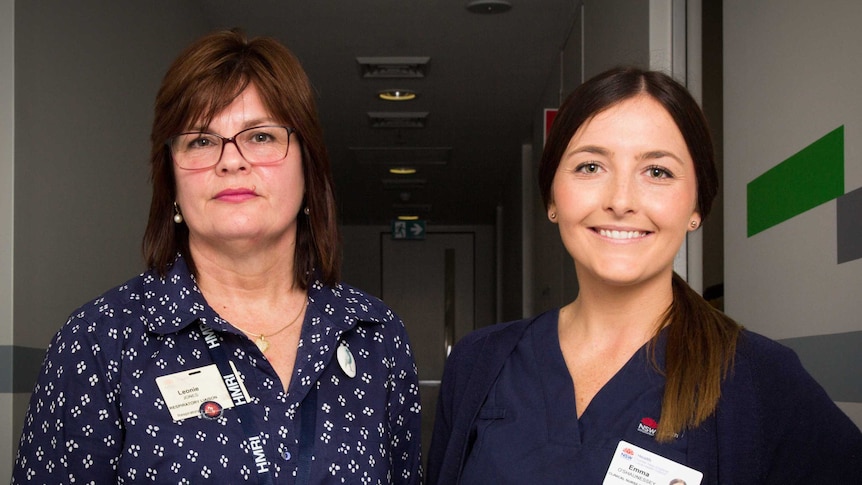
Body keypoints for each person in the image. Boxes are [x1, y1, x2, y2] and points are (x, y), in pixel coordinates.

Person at [12, 29, 422, 484]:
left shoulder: (374, 335)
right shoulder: (98, 341)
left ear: (309, 167)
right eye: (201, 141)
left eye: (261, 136)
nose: (231, 161)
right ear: (171, 181)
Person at [426, 66, 862, 484]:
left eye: (657, 171)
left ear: (696, 207)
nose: (621, 200)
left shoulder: (758, 379)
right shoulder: (479, 363)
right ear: (552, 197)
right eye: (591, 167)